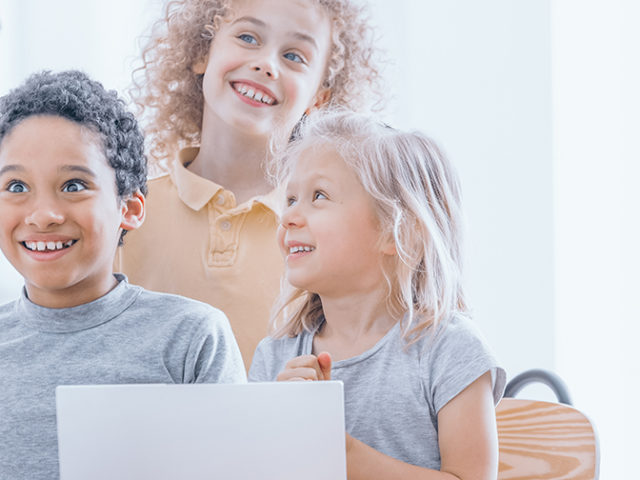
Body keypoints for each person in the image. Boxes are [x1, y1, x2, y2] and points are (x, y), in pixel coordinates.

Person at [0, 70, 246, 480]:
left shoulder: (191, 338)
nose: (43, 215)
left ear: (129, 209)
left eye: (74, 184)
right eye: (15, 186)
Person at [116, 0, 382, 370]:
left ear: (319, 98)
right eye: (247, 37)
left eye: (294, 56)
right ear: (201, 53)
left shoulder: (332, 232)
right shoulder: (123, 216)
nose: (266, 64)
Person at [249, 110, 506, 479]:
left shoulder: (449, 351)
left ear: (396, 232)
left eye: (318, 196)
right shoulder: (274, 358)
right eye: (290, 199)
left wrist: (341, 451)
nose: (288, 217)